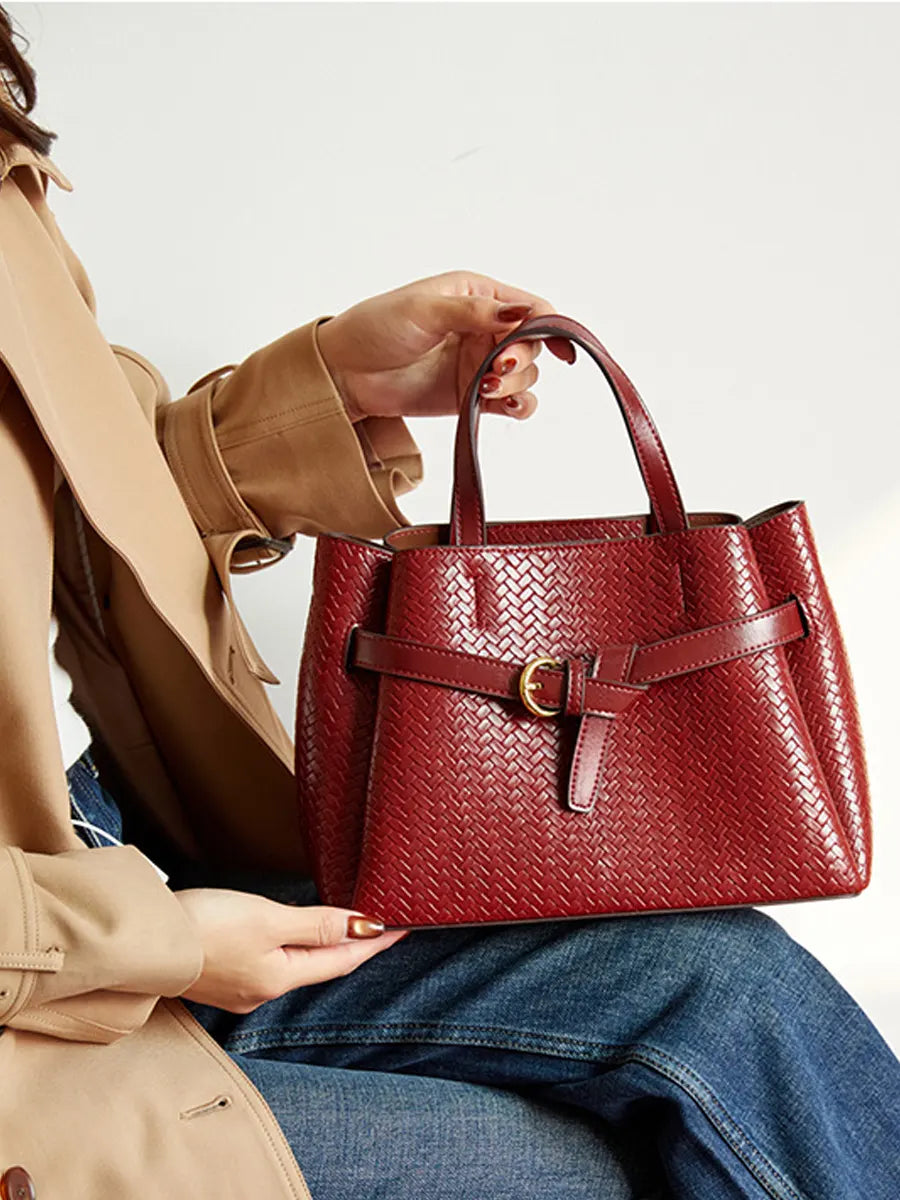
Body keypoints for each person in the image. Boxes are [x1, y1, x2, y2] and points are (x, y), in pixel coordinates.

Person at [1, 11, 899, 1199]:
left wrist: (321, 395)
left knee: (733, 986)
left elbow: (54, 505)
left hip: (101, 854)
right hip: (46, 990)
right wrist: (148, 945)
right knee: (604, 1172)